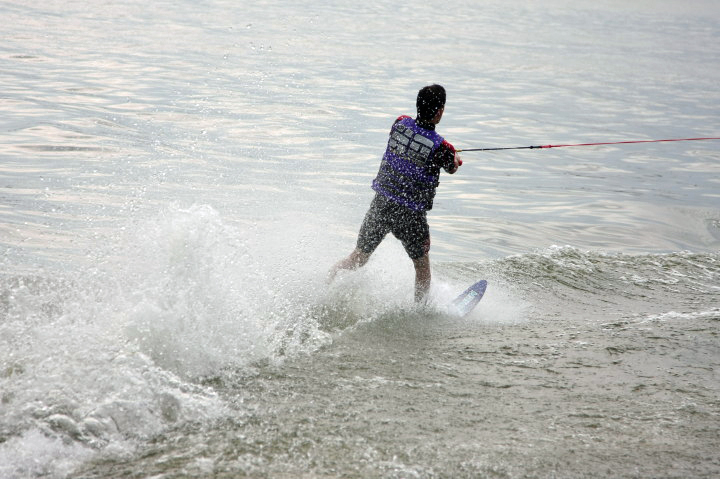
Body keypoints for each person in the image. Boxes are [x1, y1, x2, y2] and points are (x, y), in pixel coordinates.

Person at [328, 84, 462, 302]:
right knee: (421, 266)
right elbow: (452, 167)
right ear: (440, 111)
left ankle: (326, 282)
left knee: (358, 257)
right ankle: (421, 310)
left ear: (418, 105)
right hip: (410, 215)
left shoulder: (399, 123)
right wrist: (454, 157)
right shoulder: (442, 148)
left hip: (381, 204)